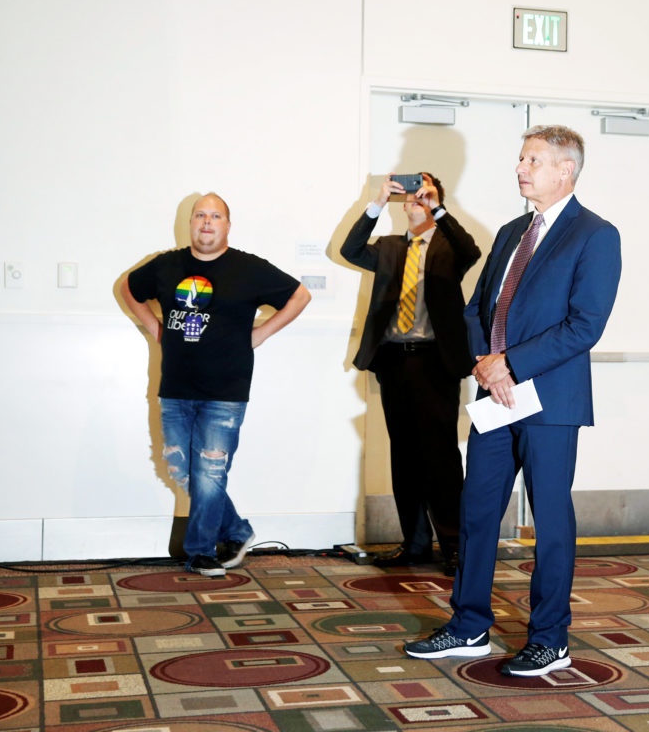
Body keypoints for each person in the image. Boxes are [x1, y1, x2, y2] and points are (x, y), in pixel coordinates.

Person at [404, 125, 622, 677]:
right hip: (495, 395)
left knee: (550, 520)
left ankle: (551, 637)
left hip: (549, 400)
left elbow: (585, 325)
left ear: (565, 171)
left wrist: (513, 365)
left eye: (533, 161)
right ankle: (468, 625)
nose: (521, 169)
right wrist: (485, 363)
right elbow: (478, 308)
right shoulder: (509, 232)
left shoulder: (595, 235)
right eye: (521, 159)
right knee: (477, 511)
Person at [121, 193, 311, 577]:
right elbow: (129, 288)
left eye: (215, 216)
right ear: (190, 223)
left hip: (225, 390)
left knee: (210, 472)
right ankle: (238, 530)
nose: (206, 223)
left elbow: (300, 295)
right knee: (180, 468)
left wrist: (260, 334)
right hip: (175, 387)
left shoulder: (248, 268)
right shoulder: (166, 265)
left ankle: (201, 551)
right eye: (200, 216)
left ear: (227, 225)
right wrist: (155, 327)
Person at [341, 173, 480, 576]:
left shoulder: (447, 247)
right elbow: (350, 249)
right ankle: (415, 544)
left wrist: (438, 205)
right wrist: (378, 201)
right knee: (404, 457)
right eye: (411, 199)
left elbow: (470, 251)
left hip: (435, 362)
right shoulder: (387, 248)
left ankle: (455, 546)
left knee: (440, 457)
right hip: (394, 361)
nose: (413, 204)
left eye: (422, 198)